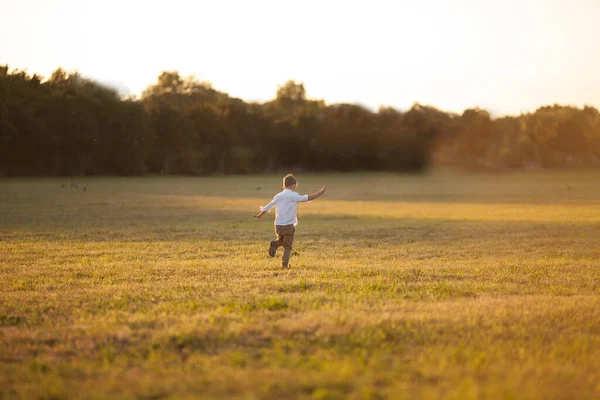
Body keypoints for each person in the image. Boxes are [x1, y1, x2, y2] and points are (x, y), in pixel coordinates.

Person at [253, 174, 327, 268]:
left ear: (283, 186)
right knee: (288, 246)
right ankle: (284, 265)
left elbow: (268, 206)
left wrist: (260, 215)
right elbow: (307, 197)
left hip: (278, 226)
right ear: (294, 186)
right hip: (288, 226)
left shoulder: (278, 196)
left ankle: (276, 243)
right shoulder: (294, 195)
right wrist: (320, 192)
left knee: (281, 240)